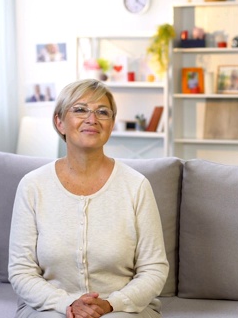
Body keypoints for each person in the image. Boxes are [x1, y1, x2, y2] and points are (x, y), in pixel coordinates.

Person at [9, 79, 169, 318]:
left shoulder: (136, 186)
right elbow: (21, 271)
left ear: (111, 124)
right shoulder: (32, 186)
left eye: (102, 112)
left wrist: (110, 304)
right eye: (80, 109)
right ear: (60, 122)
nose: (92, 119)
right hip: (49, 307)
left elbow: (154, 269)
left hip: (123, 309)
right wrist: (68, 304)